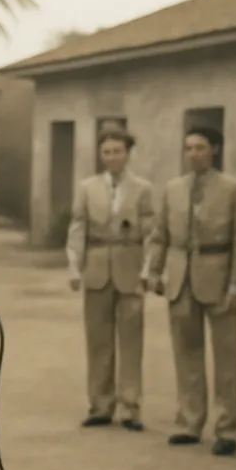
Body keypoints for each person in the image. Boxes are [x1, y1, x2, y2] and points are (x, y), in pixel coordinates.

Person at [145, 126, 236, 455]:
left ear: (215, 150)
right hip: (181, 279)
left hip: (218, 277)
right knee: (186, 354)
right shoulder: (173, 188)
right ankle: (189, 423)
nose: (194, 154)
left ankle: (226, 429)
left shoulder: (233, 189)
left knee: (225, 358)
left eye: (201, 147)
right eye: (188, 148)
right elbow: (160, 233)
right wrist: (153, 270)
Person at [66, 126, 155, 430]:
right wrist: (74, 267)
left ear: (128, 153)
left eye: (118, 151)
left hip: (130, 269)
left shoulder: (143, 188)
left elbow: (151, 234)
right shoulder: (87, 187)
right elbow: (78, 228)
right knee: (98, 340)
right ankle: (100, 404)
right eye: (106, 152)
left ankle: (130, 406)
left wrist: (148, 270)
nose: (112, 157)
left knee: (131, 340)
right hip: (96, 268)